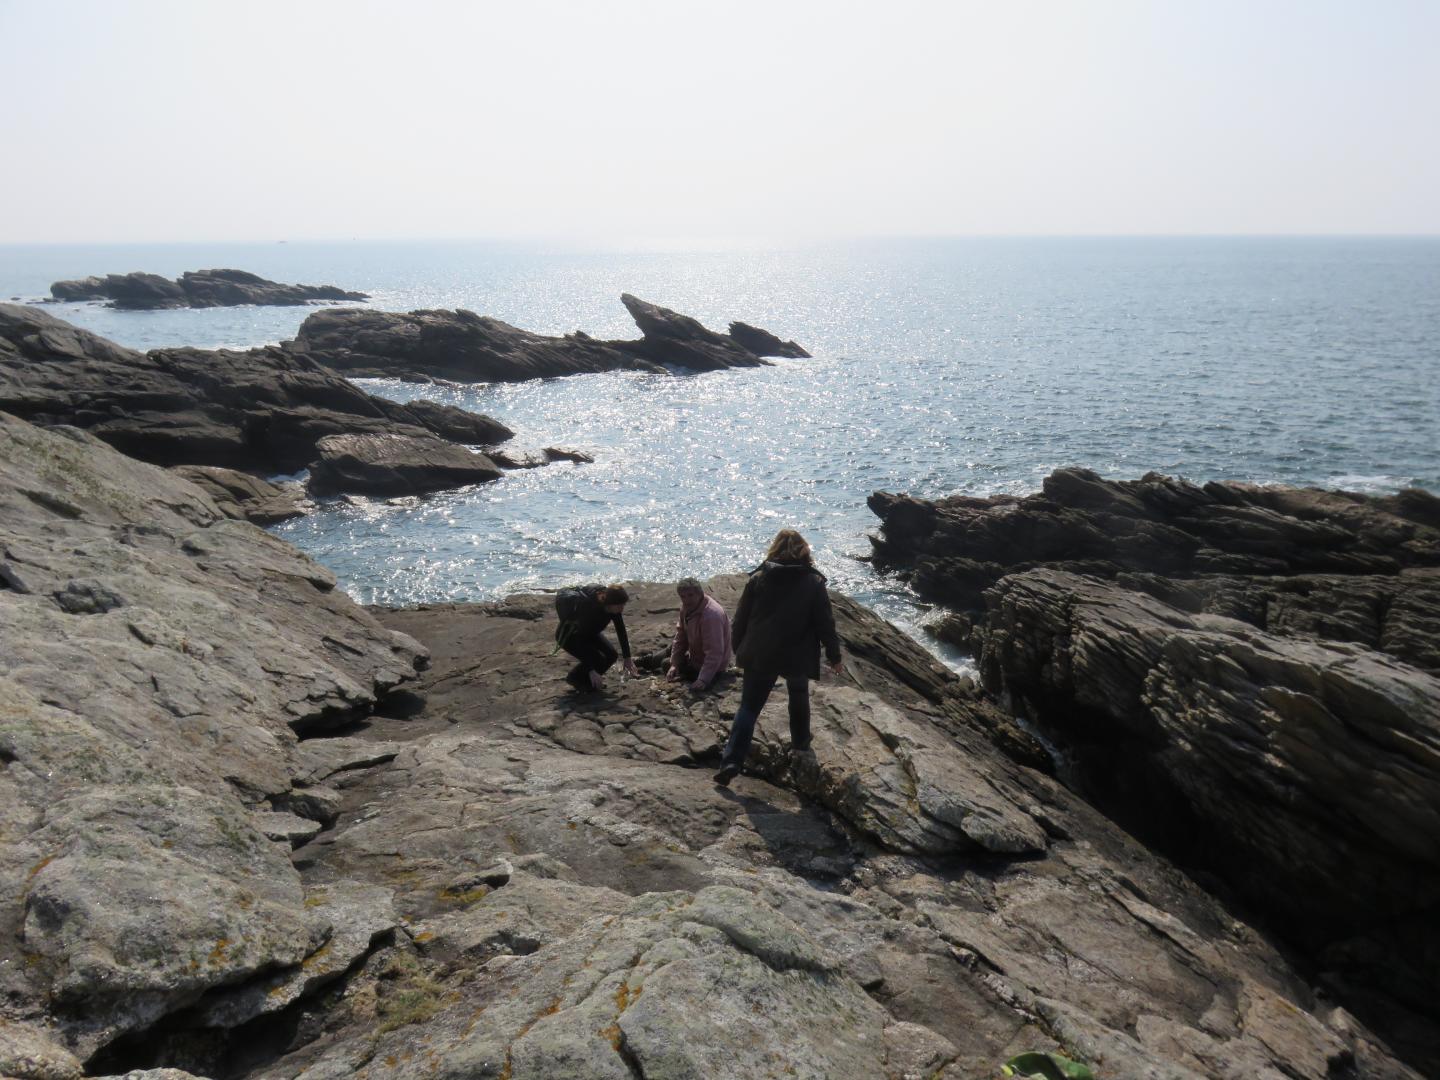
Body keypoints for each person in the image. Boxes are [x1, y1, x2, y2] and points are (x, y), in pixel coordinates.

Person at [714, 529, 843, 787]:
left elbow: (740, 619)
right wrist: (834, 655)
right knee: (798, 694)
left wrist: (739, 648)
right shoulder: (813, 582)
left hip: (760, 651)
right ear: (804, 550)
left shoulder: (759, 578)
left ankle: (731, 761)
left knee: (749, 707)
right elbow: (825, 623)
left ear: (774, 549)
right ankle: (801, 743)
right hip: (795, 653)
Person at [554, 583, 639, 692]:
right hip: (570, 638)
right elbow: (581, 640)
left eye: (623, 605)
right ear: (610, 603)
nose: (622, 609)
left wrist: (627, 658)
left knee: (611, 655)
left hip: (590, 633)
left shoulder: (614, 609)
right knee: (597, 659)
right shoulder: (590, 609)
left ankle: (588, 681)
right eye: (620, 606)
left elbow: (621, 630)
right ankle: (574, 678)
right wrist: (591, 669)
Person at [667, 577, 732, 692]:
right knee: (669, 652)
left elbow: (714, 652)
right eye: (683, 596)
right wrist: (675, 664)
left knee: (663, 664)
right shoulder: (687, 608)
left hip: (712, 666)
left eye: (691, 595)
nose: (687, 600)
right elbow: (681, 636)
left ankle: (649, 662)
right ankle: (641, 661)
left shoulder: (711, 616)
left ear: (700, 593)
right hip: (695, 653)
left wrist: (703, 679)